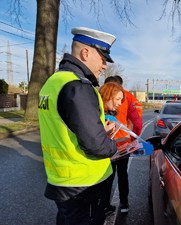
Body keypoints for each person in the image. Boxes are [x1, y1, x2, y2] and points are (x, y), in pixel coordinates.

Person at [38, 27, 118, 225]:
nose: (104, 66)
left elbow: (65, 125)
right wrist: (115, 147)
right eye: (103, 59)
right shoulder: (79, 86)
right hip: (85, 184)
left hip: (61, 179)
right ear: (85, 53)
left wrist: (100, 130)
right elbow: (96, 145)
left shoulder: (53, 82)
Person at [102, 75, 143, 214]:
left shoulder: (100, 98)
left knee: (107, 176)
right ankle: (124, 204)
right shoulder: (127, 98)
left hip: (106, 144)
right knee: (122, 175)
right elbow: (137, 122)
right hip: (124, 144)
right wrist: (134, 140)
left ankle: (105, 205)